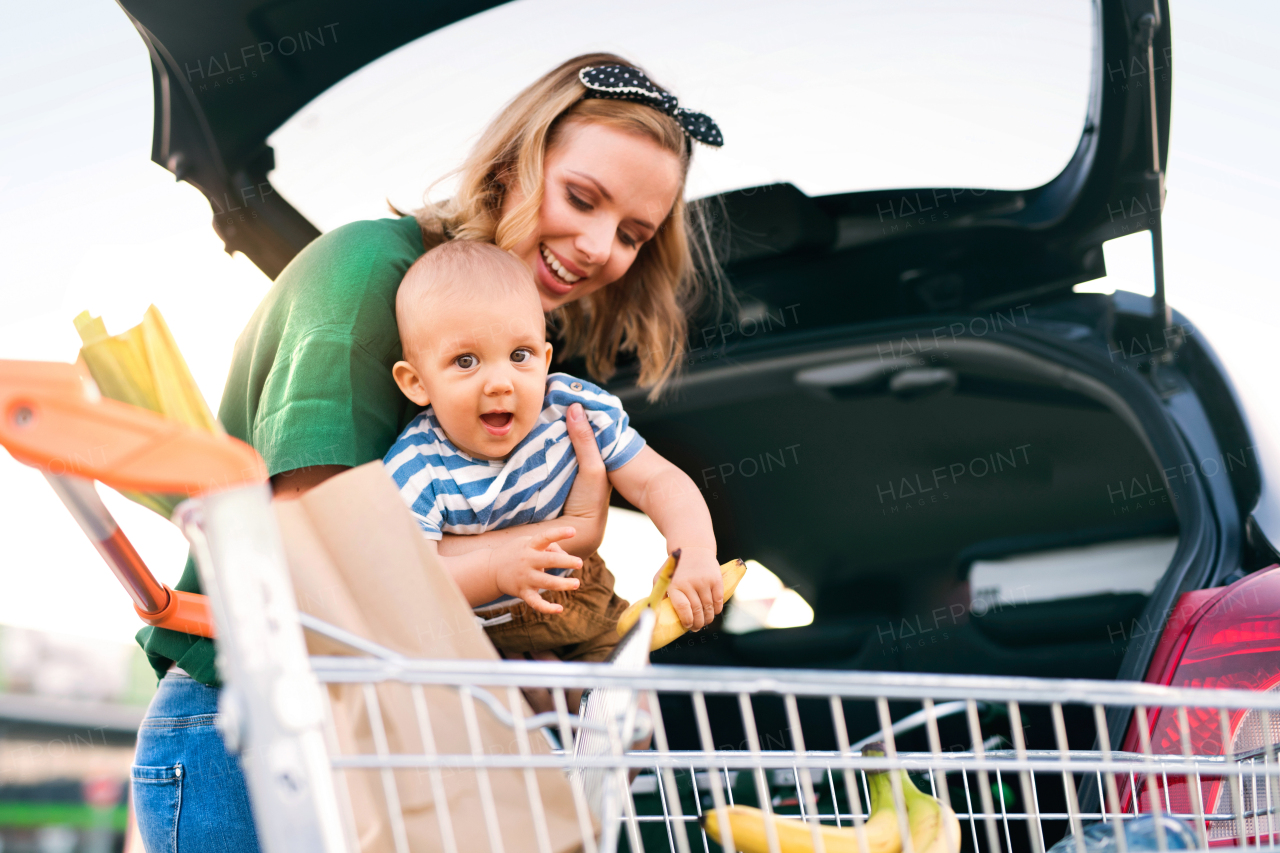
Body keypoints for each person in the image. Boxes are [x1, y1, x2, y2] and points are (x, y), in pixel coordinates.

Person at [129, 53, 726, 853]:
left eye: (632, 235)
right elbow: (320, 570)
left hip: (386, 733)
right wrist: (528, 549)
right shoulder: (367, 274)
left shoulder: (519, 365)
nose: (595, 246)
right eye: (581, 198)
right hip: (253, 730)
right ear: (514, 163)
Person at [384, 241, 723, 664]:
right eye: (466, 360)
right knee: (506, 722)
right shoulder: (416, 467)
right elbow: (410, 576)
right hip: (476, 633)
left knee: (628, 716)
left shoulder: (569, 411)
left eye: (519, 355)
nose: (500, 383)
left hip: (580, 596)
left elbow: (658, 480)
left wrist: (693, 548)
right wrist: (494, 570)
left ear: (545, 360)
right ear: (416, 382)